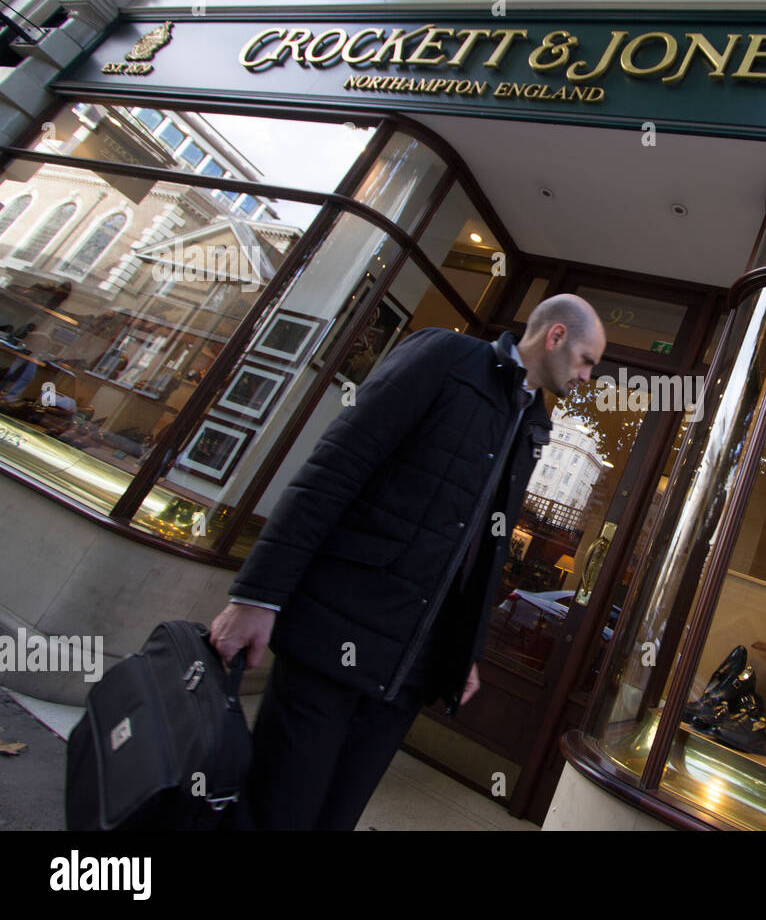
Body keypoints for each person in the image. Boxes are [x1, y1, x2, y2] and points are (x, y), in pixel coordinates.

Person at [208, 294, 606, 830]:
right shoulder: (444, 357)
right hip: (335, 636)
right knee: (278, 810)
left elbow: (485, 553)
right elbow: (333, 471)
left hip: (410, 670)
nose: (587, 376)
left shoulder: (534, 425)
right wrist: (257, 596)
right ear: (555, 336)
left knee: (335, 816)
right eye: (586, 360)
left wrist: (463, 652)